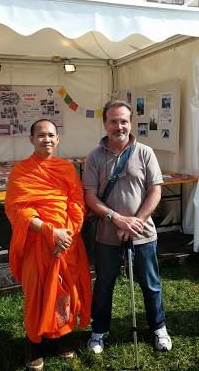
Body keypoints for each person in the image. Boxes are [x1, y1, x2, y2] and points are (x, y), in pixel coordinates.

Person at [83, 100, 172, 354]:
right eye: (113, 121)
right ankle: (99, 331)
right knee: (103, 284)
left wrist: (137, 222)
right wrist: (116, 219)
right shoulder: (94, 157)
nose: (118, 126)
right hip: (107, 233)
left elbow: (155, 190)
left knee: (151, 283)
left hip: (143, 234)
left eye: (123, 121)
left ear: (130, 123)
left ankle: (159, 327)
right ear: (105, 124)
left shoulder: (145, 152)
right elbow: (90, 197)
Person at [5, 119, 92, 371]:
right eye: (41, 135)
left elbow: (77, 204)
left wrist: (67, 236)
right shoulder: (21, 171)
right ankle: (34, 345)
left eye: (51, 135)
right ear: (31, 139)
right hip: (37, 243)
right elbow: (16, 210)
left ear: (58, 139)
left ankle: (61, 337)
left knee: (64, 292)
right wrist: (48, 231)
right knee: (37, 294)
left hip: (66, 243)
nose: (47, 139)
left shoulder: (66, 168)